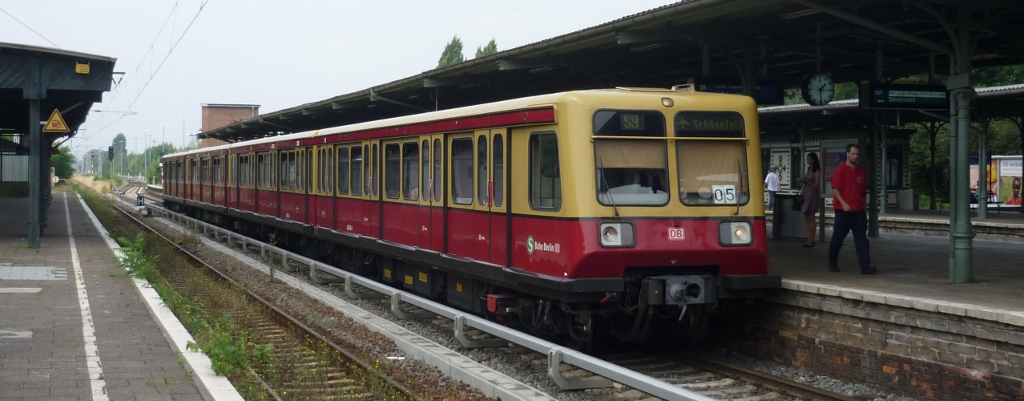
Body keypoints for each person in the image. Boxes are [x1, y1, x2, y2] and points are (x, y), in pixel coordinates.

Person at [827, 144, 876, 274]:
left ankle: (865, 265)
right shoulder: (840, 169)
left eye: (857, 154)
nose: (855, 156)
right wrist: (843, 203)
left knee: (861, 238)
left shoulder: (861, 171)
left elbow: (862, 191)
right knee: (838, 237)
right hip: (843, 210)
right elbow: (836, 188)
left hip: (858, 210)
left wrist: (863, 203)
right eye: (853, 154)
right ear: (847, 154)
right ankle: (832, 262)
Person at [797, 152, 820, 248]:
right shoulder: (808, 169)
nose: (807, 161)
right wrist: (801, 181)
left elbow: (816, 185)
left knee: (811, 217)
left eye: (809, 159)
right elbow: (803, 185)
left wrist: (807, 181)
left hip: (813, 195)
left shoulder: (817, 170)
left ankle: (811, 239)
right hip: (806, 194)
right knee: (806, 218)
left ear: (813, 160)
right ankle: (809, 238)